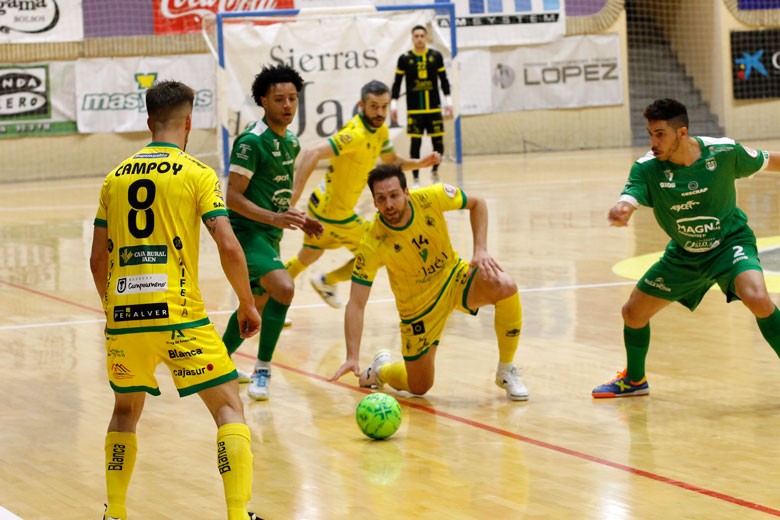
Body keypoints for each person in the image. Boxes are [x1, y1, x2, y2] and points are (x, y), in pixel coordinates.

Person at [89, 80, 263, 520]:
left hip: (125, 318)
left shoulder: (114, 179)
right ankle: (239, 515)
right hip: (179, 315)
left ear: (149, 123)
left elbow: (96, 260)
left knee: (125, 411)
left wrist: (115, 315)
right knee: (228, 406)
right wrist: (247, 302)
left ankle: (117, 512)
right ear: (189, 123)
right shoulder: (198, 174)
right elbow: (228, 245)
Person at [592, 98, 780, 398]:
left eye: (660, 134)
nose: (653, 141)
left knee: (757, 298)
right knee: (632, 314)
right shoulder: (648, 168)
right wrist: (622, 209)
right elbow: (631, 194)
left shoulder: (723, 152)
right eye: (650, 133)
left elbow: (769, 160)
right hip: (684, 255)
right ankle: (635, 381)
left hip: (729, 244)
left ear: (682, 132)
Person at [329, 164, 529, 401]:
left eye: (394, 195)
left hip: (453, 278)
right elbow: (356, 303)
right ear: (374, 202)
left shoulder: (430, 198)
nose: (389, 204)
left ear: (406, 192)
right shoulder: (373, 241)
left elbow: (478, 203)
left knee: (504, 285)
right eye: (381, 199)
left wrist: (480, 249)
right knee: (420, 386)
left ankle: (506, 369)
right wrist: (353, 356)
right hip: (418, 311)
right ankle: (381, 370)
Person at [285, 80, 440, 309]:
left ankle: (267, 294)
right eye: (374, 106)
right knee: (377, 251)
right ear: (361, 105)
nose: (380, 112)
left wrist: (420, 163)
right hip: (334, 214)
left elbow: (392, 161)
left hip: (324, 207)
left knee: (308, 255)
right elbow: (312, 152)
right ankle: (326, 281)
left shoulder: (380, 131)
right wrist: (294, 196)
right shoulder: (356, 134)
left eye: (384, 107)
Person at [220, 64, 323, 401]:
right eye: (279, 99)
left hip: (269, 235)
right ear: (263, 101)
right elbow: (231, 198)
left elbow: (279, 197)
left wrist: (298, 218)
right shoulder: (252, 142)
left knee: (254, 308)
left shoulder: (290, 142)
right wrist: (273, 219)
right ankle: (264, 369)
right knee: (284, 287)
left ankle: (217, 364)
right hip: (244, 234)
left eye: (293, 98)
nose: (288, 105)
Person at [390, 24, 452, 189]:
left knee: (438, 142)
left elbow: (444, 79)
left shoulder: (436, 56)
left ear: (426, 37)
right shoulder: (404, 59)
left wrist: (449, 102)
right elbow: (397, 83)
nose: (419, 39)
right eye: (416, 36)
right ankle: (416, 178)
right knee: (415, 144)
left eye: (422, 36)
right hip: (415, 109)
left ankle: (435, 172)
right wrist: (393, 104)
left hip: (433, 108)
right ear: (412, 38)